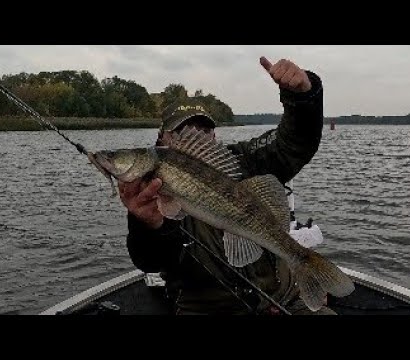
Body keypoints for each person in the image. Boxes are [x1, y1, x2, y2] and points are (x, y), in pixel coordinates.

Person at [118, 56, 335, 315]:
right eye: (182, 131)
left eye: (203, 129)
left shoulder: (240, 160)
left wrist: (302, 99)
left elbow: (292, 144)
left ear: (214, 135)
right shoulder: (150, 188)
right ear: (161, 138)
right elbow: (150, 260)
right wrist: (148, 226)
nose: (195, 135)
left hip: (282, 300)